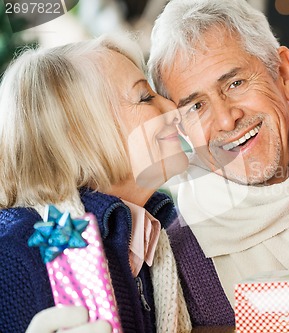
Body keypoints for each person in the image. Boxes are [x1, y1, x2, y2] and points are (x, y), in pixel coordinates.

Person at [148, 0, 289, 327]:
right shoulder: (177, 260)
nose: (227, 120)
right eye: (196, 106)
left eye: (235, 83)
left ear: (283, 74)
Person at [0, 34, 191, 333]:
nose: (173, 109)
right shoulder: (14, 256)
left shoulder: (153, 234)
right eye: (144, 97)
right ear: (77, 136)